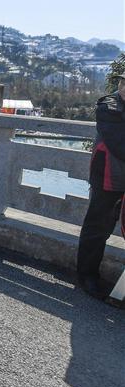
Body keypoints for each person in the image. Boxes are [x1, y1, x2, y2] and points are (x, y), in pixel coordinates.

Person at [76, 72, 125, 300]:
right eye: (123, 81)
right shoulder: (109, 106)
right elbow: (119, 143)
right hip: (108, 177)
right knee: (97, 228)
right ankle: (87, 276)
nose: (123, 85)